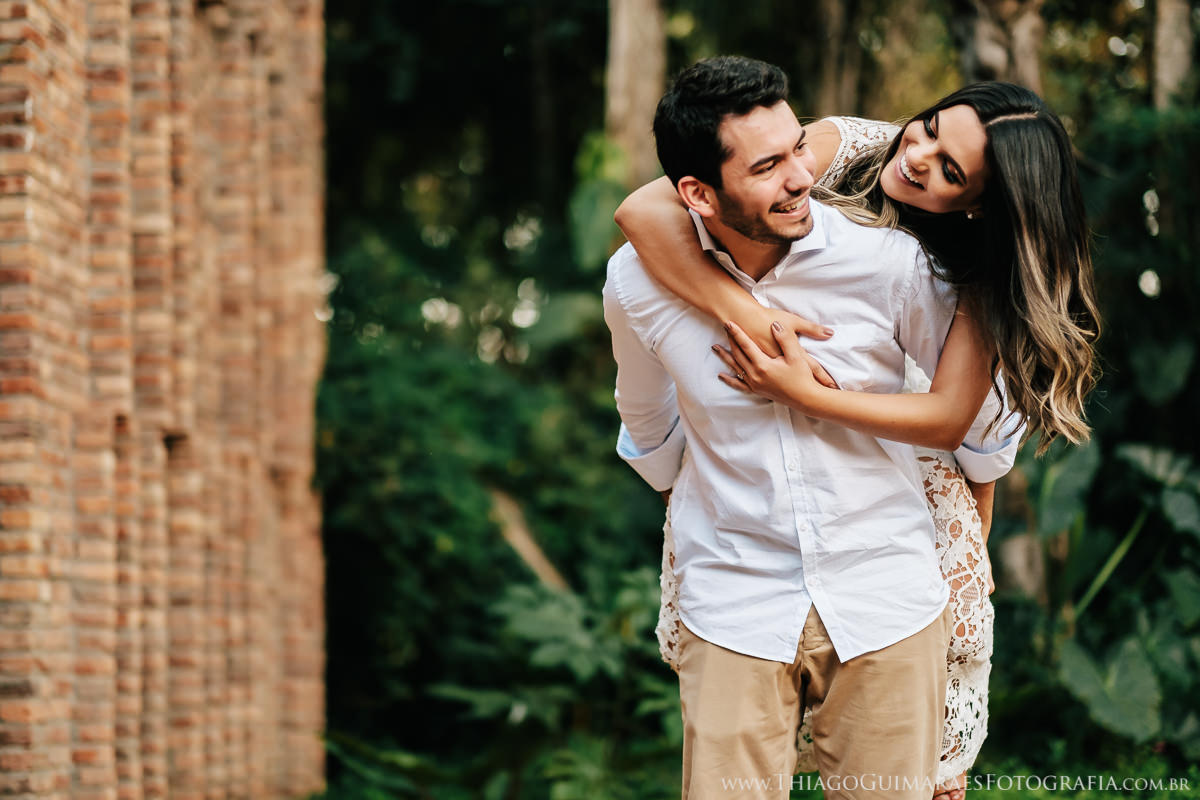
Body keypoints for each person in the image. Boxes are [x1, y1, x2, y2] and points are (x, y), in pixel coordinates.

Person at [613, 79, 1100, 799]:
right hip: (777, 528)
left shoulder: (974, 269)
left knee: (925, 762)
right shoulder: (839, 148)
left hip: (919, 477)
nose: (918, 157)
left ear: (979, 204)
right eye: (930, 127)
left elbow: (967, 430)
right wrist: (747, 312)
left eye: (950, 170)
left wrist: (973, 530)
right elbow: (645, 209)